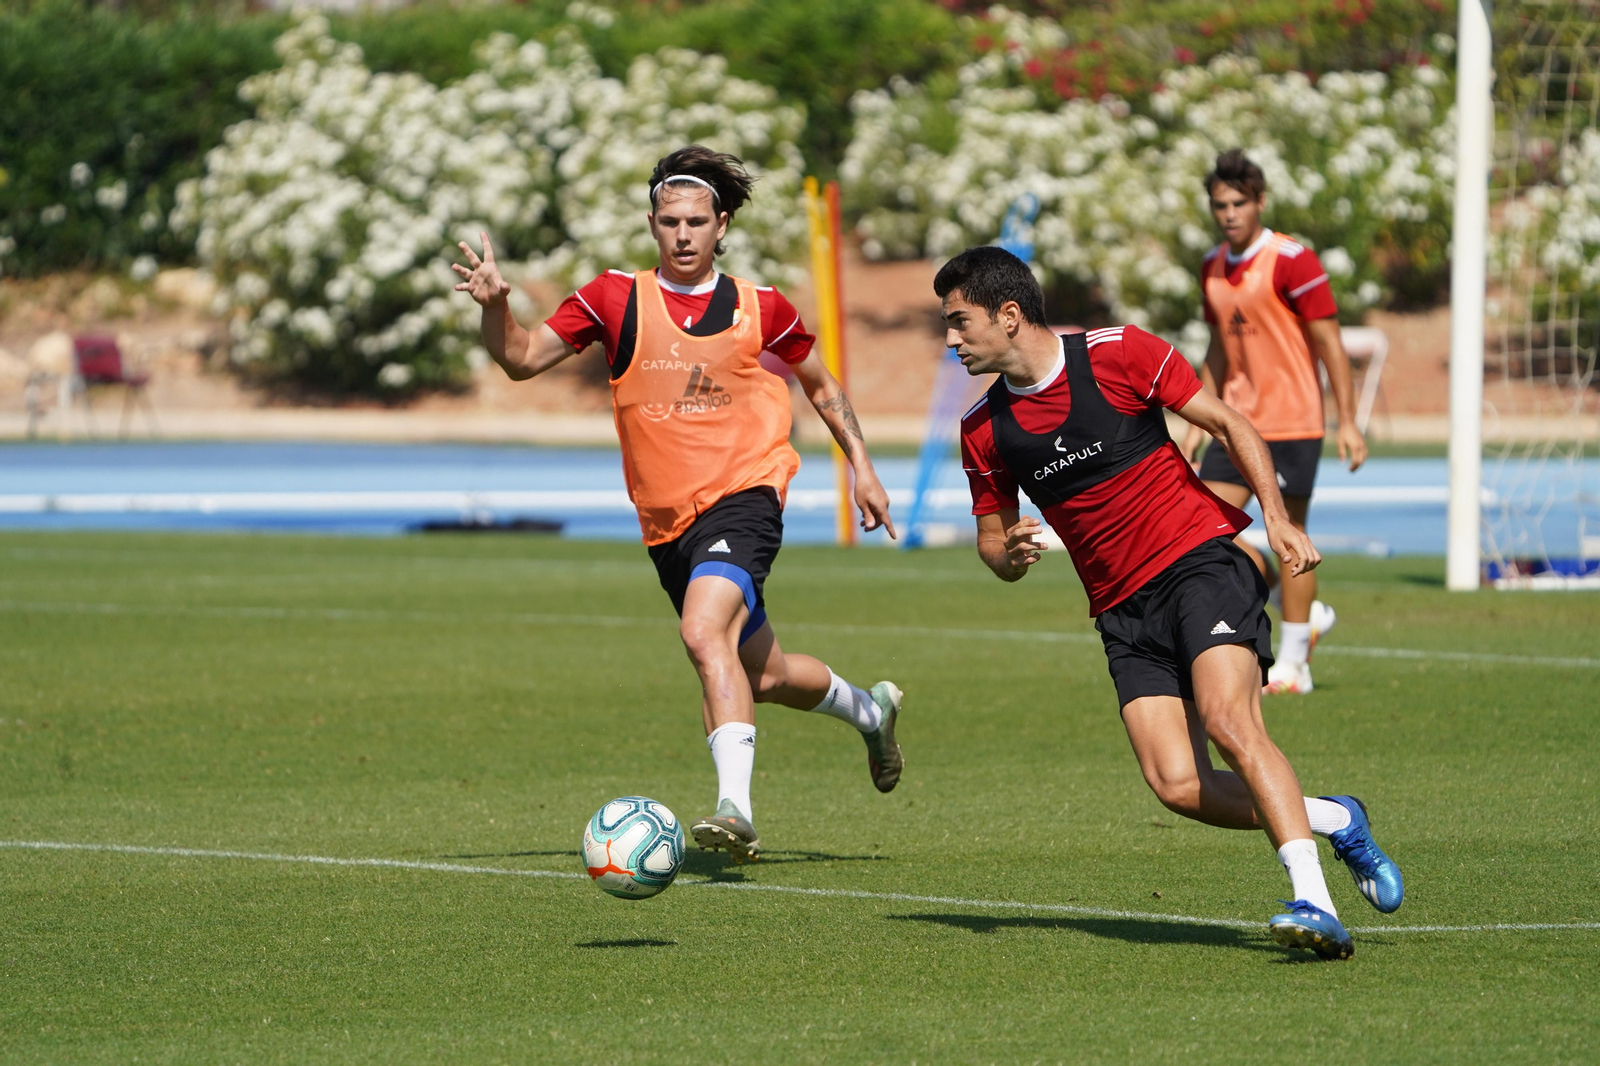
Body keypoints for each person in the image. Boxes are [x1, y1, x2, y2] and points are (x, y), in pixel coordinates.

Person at [943, 245, 1401, 959]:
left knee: (1229, 721)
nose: (951, 339)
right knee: (1178, 785)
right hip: (1121, 611)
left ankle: (1314, 899)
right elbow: (992, 546)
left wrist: (1277, 519)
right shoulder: (982, 430)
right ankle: (1335, 818)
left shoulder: (1118, 354)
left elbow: (1230, 425)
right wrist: (1012, 556)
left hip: (1200, 565)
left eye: (959, 321)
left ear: (1008, 315)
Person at [452, 145, 904, 865]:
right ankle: (870, 710)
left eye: (697, 221)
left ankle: (737, 811)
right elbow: (521, 359)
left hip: (746, 496)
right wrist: (497, 306)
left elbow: (822, 385)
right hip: (666, 524)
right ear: (653, 225)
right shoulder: (612, 298)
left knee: (702, 634)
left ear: (722, 224)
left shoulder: (764, 307)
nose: (684, 235)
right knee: (765, 674)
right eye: (670, 222)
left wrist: (865, 469)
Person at [1179, 149, 1368, 696]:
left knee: (1292, 538)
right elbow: (1217, 347)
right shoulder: (1211, 267)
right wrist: (1196, 421)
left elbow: (1330, 344)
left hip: (1292, 424)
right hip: (1233, 424)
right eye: (1220, 205)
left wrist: (1348, 421)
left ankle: (1294, 663)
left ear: (1260, 202)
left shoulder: (1293, 261)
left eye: (1239, 203)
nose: (1229, 213)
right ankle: (1299, 608)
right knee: (1199, 531)